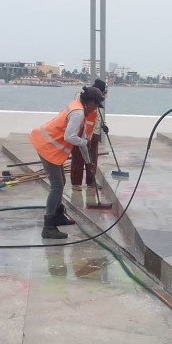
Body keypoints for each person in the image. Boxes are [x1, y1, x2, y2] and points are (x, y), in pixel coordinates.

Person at [29, 86, 106, 239]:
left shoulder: (80, 110)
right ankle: (48, 226)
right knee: (57, 186)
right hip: (46, 146)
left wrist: (88, 162)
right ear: (90, 102)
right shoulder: (78, 113)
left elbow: (82, 142)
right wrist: (84, 143)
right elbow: (69, 137)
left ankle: (58, 215)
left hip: (47, 147)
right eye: (96, 105)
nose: (96, 108)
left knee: (61, 182)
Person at [70, 78, 109, 191]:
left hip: (95, 132)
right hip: (81, 131)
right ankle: (76, 183)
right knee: (78, 158)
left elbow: (99, 114)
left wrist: (104, 125)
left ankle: (91, 182)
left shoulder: (99, 98)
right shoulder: (82, 95)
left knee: (93, 159)